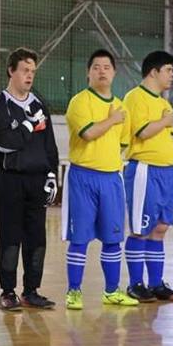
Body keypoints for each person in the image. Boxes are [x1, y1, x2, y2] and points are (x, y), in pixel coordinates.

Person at [61, 49, 135, 310]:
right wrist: (112, 119)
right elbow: (89, 133)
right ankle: (74, 291)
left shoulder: (122, 107)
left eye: (106, 67)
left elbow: (123, 143)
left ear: (114, 72)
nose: (102, 71)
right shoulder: (79, 102)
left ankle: (112, 291)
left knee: (113, 238)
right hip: (83, 177)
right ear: (88, 72)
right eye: (96, 67)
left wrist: (116, 119)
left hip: (112, 179)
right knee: (79, 238)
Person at [0, 48, 59, 312]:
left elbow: (49, 145)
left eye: (33, 71)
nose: (30, 76)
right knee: (10, 238)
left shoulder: (39, 105)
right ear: (11, 71)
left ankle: (32, 290)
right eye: (25, 70)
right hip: (11, 180)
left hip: (37, 180)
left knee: (37, 238)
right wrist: (29, 126)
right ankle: (8, 292)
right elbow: (6, 142)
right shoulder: (0, 104)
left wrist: (52, 175)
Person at [121, 50, 173, 303]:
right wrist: (164, 122)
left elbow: (171, 138)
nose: (172, 75)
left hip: (166, 173)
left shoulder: (164, 104)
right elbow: (142, 131)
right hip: (144, 169)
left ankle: (157, 283)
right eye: (169, 70)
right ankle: (135, 284)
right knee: (141, 229)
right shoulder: (135, 97)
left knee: (160, 228)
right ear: (154, 72)